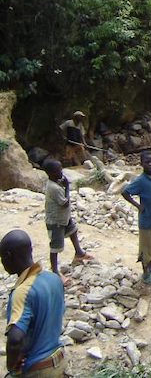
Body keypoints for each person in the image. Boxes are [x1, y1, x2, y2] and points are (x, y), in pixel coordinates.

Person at [1, 230, 67, 377]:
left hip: (39, 370)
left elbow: (15, 339)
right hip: (59, 360)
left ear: (8, 256)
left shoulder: (22, 292)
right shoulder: (54, 279)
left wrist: (12, 366)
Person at [121, 151, 151, 285]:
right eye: (147, 162)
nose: (150, 164)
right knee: (146, 248)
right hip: (146, 220)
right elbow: (125, 192)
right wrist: (138, 205)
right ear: (141, 164)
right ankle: (146, 274)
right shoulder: (140, 181)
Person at [41, 159, 91, 281]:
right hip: (56, 221)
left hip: (63, 217)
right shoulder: (54, 188)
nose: (61, 172)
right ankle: (55, 271)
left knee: (73, 230)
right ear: (51, 173)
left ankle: (79, 253)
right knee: (55, 246)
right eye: (59, 170)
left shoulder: (56, 182)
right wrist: (67, 187)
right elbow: (64, 203)